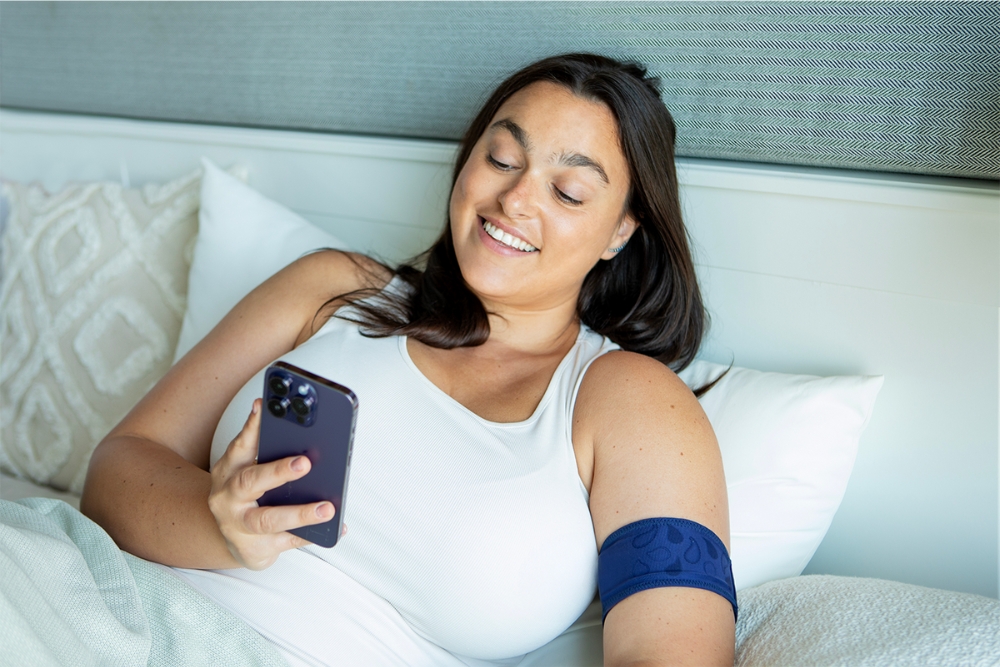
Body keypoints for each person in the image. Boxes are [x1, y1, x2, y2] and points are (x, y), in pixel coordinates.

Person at [81, 53, 736, 666]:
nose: (515, 200)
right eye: (503, 157)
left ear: (621, 231)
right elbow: (116, 469)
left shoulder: (631, 400)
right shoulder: (334, 290)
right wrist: (220, 528)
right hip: (103, 609)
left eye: (567, 191)